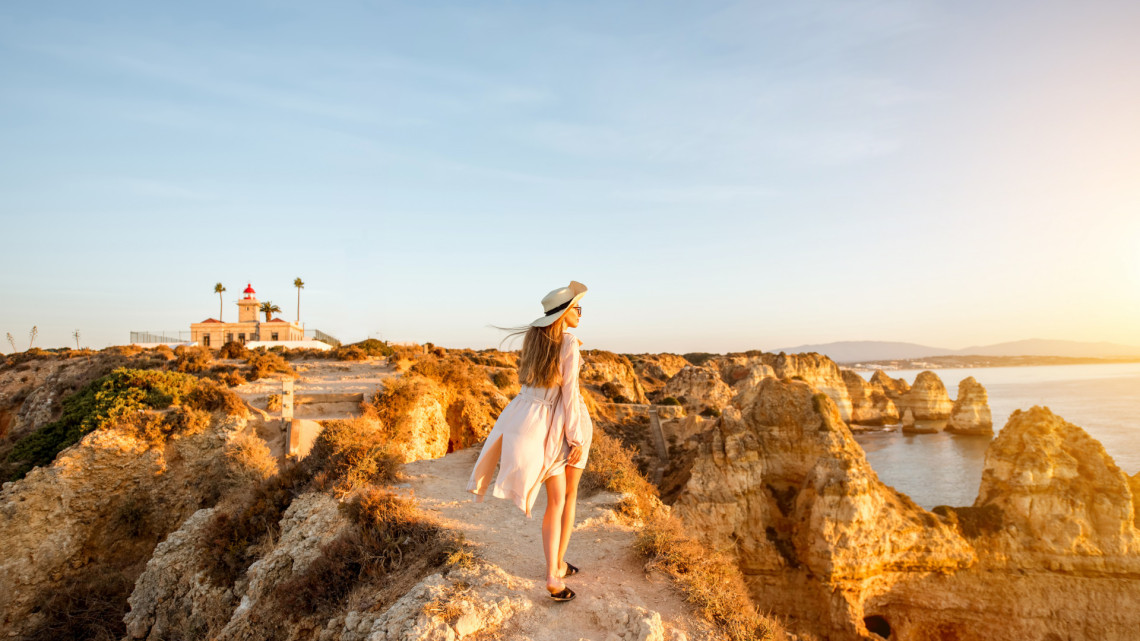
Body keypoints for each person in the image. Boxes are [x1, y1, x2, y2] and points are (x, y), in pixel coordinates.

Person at [466, 280, 594, 602]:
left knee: (554, 500)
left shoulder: (534, 339)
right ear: (565, 313)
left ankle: (556, 568)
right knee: (564, 498)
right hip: (557, 422)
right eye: (577, 308)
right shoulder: (568, 341)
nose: (581, 313)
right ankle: (555, 570)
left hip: (524, 416)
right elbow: (569, 394)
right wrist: (575, 435)